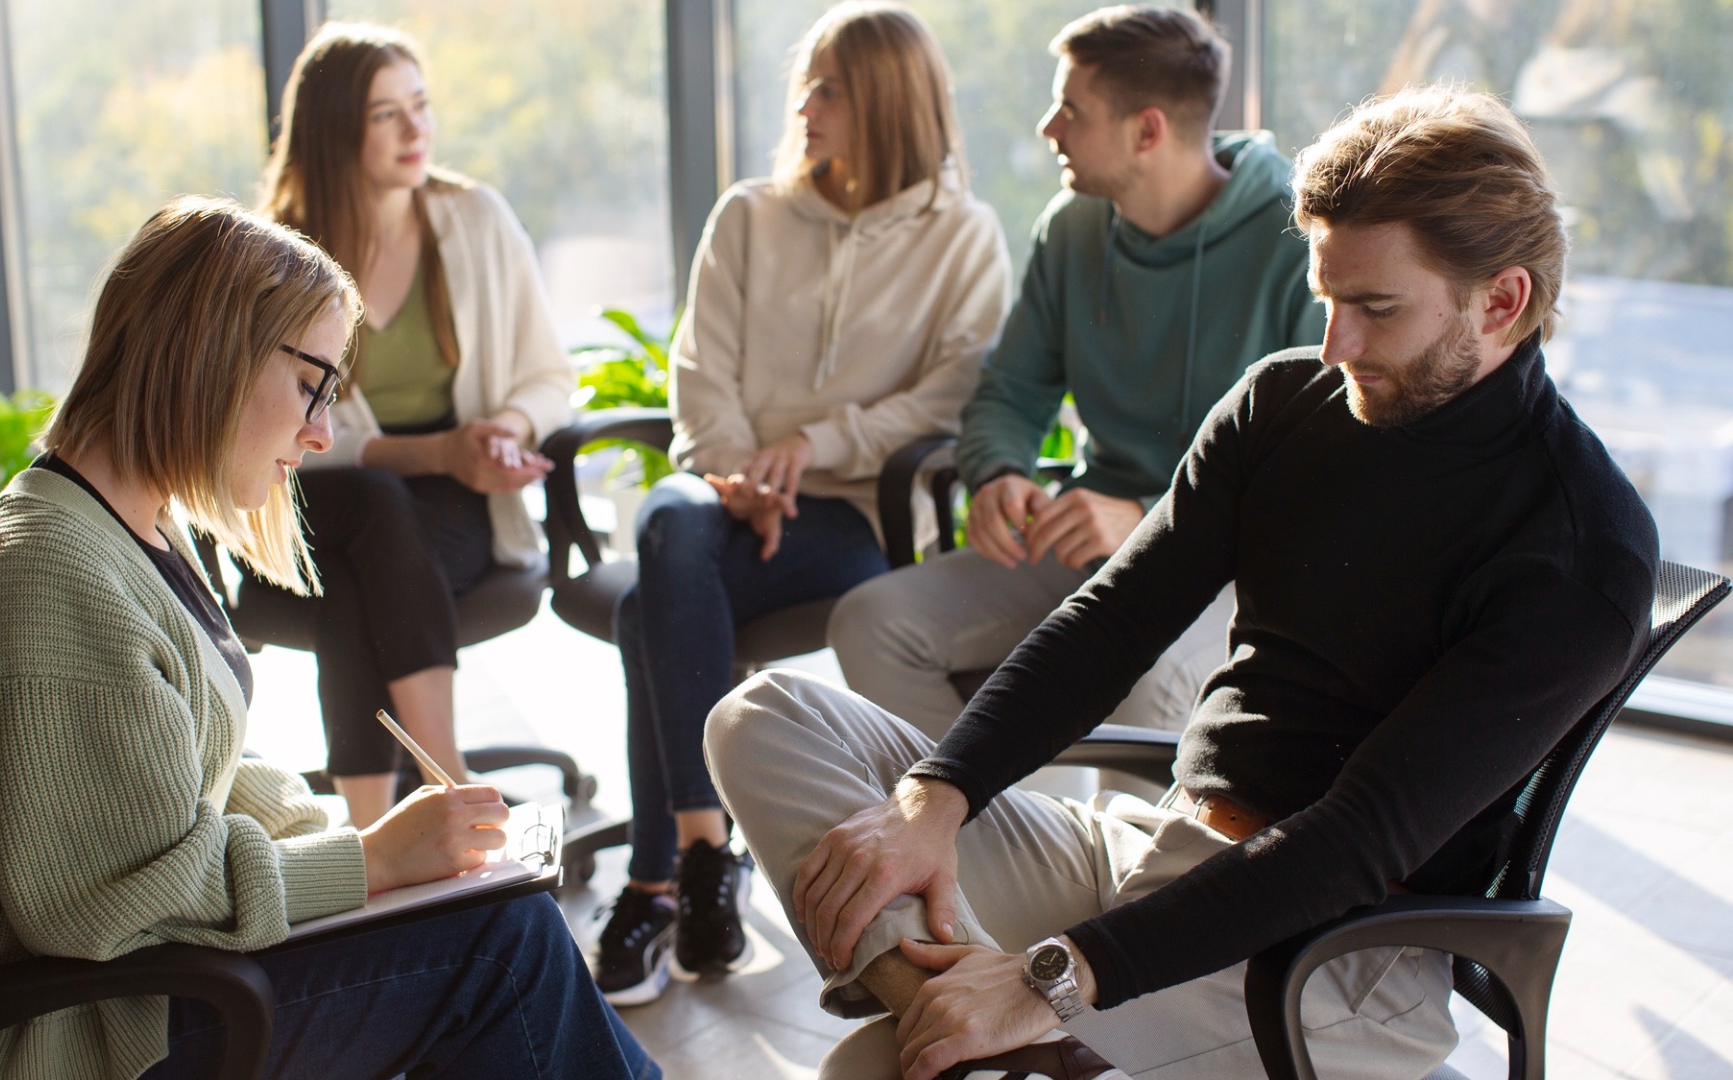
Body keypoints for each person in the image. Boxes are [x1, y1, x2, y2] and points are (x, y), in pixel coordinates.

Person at [706, 86, 1659, 1080]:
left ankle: (991, 1029)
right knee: (763, 716)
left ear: (1501, 301)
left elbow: (1360, 836)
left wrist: (1053, 978)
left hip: (1340, 952)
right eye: (1327, 299)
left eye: (1376, 310)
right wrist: (937, 800)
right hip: (1159, 851)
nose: (1336, 346)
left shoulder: (1580, 548)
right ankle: (974, 1020)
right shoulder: (1286, 404)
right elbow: (1111, 621)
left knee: (872, 1072)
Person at [0, 197, 657, 1080]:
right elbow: (108, 899)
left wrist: (377, 853)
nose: (323, 429)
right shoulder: (49, 575)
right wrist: (369, 860)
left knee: (475, 920)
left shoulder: (130, 527)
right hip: (86, 1034)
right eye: (312, 384)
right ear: (211, 350)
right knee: (500, 944)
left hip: (136, 992)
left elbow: (196, 769)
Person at [592, 0, 1011, 1009]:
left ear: (885, 104)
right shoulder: (749, 213)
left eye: (830, 88)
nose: (805, 105)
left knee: (651, 610)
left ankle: (661, 879)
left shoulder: (965, 237)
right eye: (806, 83)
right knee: (666, 525)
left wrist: (811, 448)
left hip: (854, 516)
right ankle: (702, 857)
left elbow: (949, 398)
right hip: (729, 497)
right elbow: (701, 374)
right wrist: (737, 473)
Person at [828, 5, 1324, 744]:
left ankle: (1077, 857)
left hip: (1233, 566)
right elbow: (1013, 389)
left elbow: (1315, 472)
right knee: (871, 623)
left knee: (1146, 685)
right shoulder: (1071, 227)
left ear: (1147, 130)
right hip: (1088, 540)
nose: (1047, 127)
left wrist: (1160, 514)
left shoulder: (1298, 242)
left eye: (1070, 109)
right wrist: (998, 469)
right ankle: (974, 846)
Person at [258, 22, 572, 828]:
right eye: (385, 114)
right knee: (370, 505)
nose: (416, 129)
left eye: (421, 105)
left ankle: (373, 833)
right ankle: (447, 775)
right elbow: (272, 426)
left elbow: (549, 377)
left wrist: (503, 426)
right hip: (307, 502)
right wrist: (437, 450)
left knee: (360, 582)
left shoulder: (475, 220)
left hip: (448, 506)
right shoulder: (276, 255)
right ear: (335, 131)